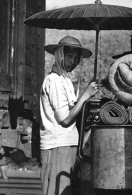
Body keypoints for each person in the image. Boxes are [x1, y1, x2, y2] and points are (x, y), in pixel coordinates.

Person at [40, 35, 101, 195]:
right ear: (60, 55)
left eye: (76, 58)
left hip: (67, 143)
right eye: (69, 56)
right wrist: (86, 96)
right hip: (57, 144)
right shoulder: (54, 81)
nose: (73, 61)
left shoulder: (64, 79)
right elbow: (65, 119)